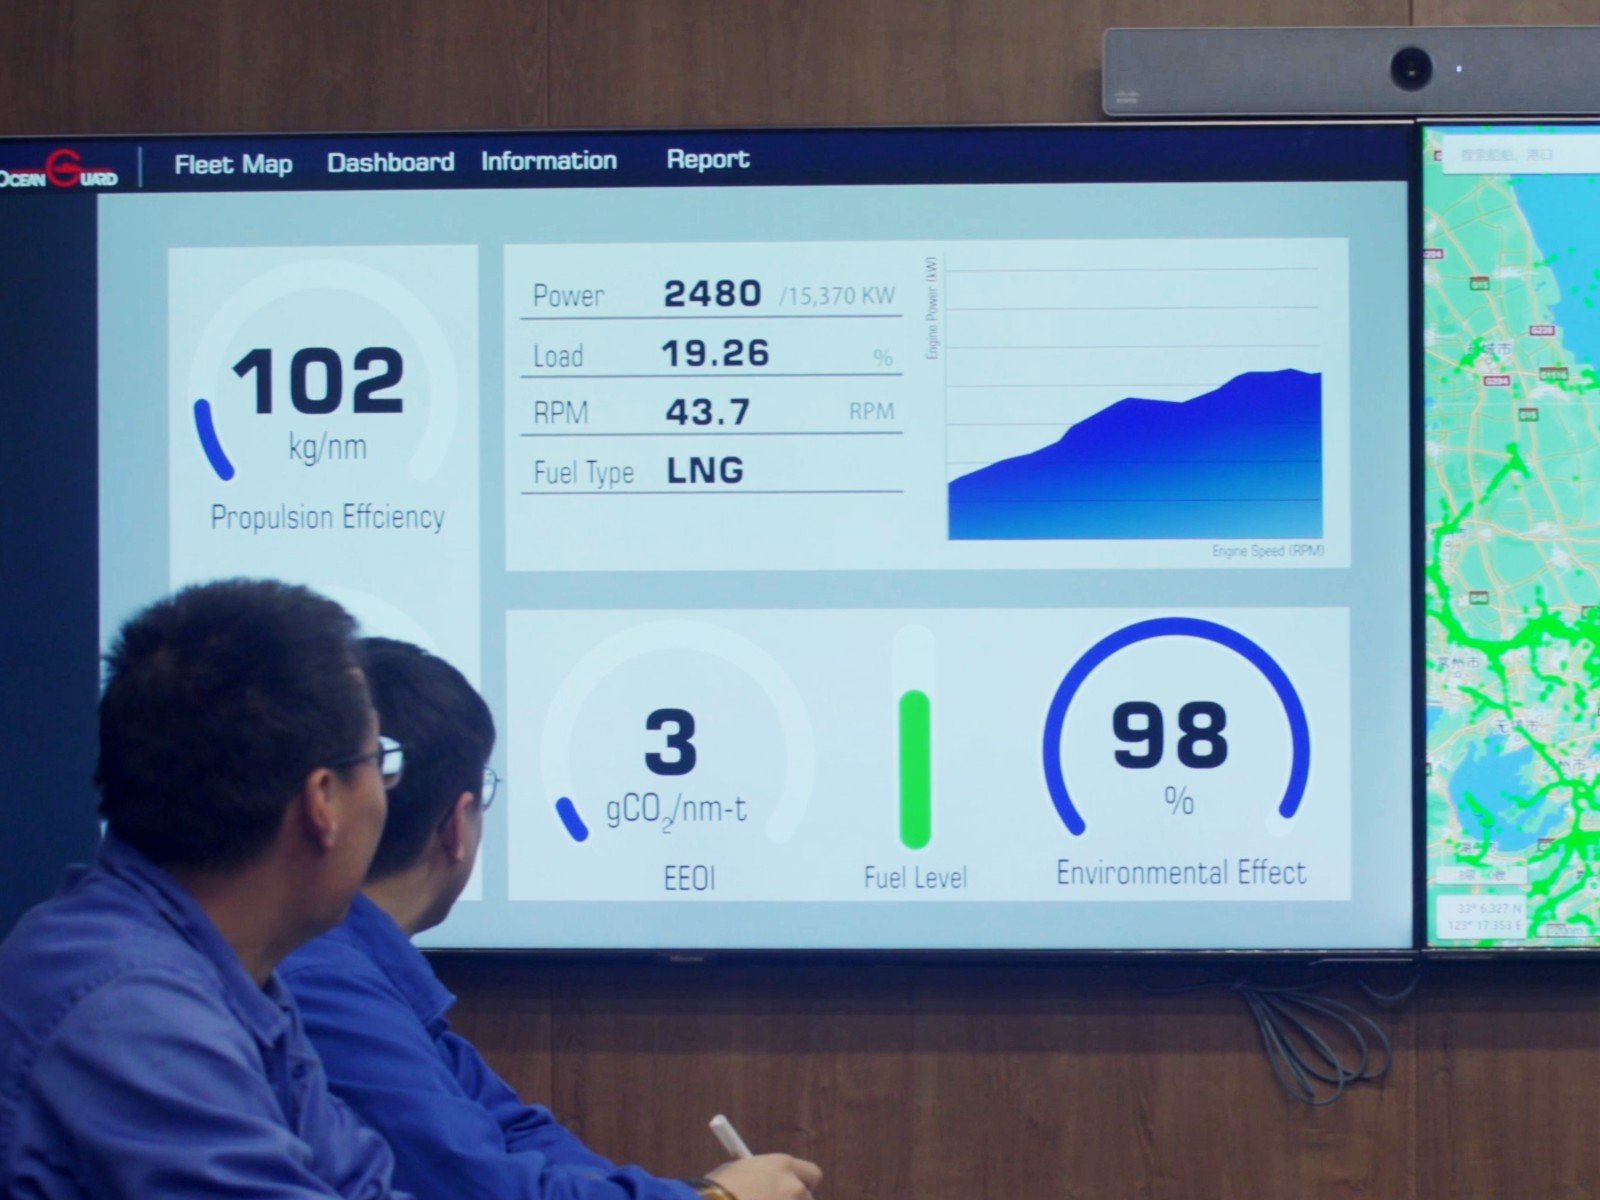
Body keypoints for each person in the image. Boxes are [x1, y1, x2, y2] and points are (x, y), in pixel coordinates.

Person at [282, 637, 823, 1200]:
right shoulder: (321, 978)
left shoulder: (362, 971)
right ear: (457, 825)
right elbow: (480, 1188)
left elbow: (513, 1131)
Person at [0, 579, 414, 1198]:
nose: (386, 789)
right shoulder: (134, 1016)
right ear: (323, 801)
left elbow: (360, 1184)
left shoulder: (225, 972)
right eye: (379, 760)